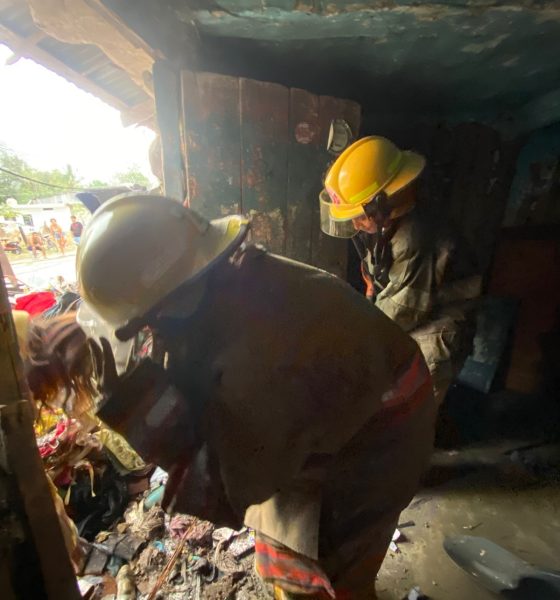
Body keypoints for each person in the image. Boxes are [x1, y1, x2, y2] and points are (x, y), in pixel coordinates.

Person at [77, 193, 437, 599]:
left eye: (146, 321)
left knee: (328, 568)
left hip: (382, 433)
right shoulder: (228, 274)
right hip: (362, 386)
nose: (150, 332)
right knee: (291, 543)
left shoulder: (256, 367)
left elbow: (231, 492)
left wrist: (143, 421)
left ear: (169, 301)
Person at [320, 136, 482, 405]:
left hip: (437, 327)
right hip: (412, 310)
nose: (356, 224)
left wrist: (350, 344)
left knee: (409, 408)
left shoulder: (414, 237)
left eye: (359, 216)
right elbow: (380, 283)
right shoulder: (387, 224)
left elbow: (403, 310)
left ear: (384, 203)